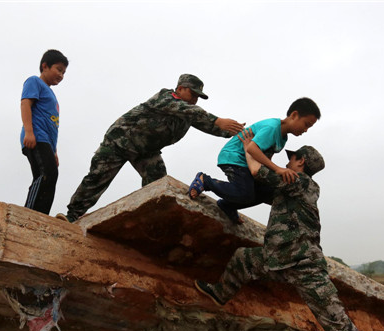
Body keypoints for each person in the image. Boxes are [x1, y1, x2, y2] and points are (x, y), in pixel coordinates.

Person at [194, 131, 384, 331]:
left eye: (292, 158)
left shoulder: (298, 181)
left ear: (301, 162)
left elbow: (254, 168)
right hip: (275, 259)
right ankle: (220, 293)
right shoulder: (295, 185)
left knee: (339, 326)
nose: (287, 163)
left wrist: (246, 144)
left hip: (305, 267)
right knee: (243, 258)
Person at [57, 74, 245, 222]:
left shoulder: (190, 112)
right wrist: (217, 119)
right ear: (180, 88)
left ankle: (147, 216)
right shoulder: (165, 97)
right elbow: (188, 110)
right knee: (97, 178)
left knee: (157, 181)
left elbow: (210, 126)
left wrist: (237, 132)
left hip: (146, 151)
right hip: (120, 141)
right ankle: (72, 215)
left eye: (198, 96)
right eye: (192, 94)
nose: (195, 99)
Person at [187, 98, 320, 224]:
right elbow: (252, 148)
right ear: (294, 115)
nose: (305, 130)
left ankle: (228, 205)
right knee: (245, 193)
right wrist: (278, 169)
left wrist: (271, 171)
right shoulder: (273, 127)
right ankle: (205, 181)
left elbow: (265, 156)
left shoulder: (283, 138)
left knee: (268, 192)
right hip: (235, 157)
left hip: (246, 161)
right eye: (306, 124)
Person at [20, 49, 69, 214]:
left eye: (64, 72)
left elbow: (52, 127)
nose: (61, 75)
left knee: (51, 175)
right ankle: (29, 214)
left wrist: (54, 151)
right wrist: (29, 132)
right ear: (45, 66)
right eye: (58, 69)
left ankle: (41, 215)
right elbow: (25, 104)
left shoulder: (52, 95)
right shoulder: (34, 81)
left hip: (46, 141)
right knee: (45, 173)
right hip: (36, 137)